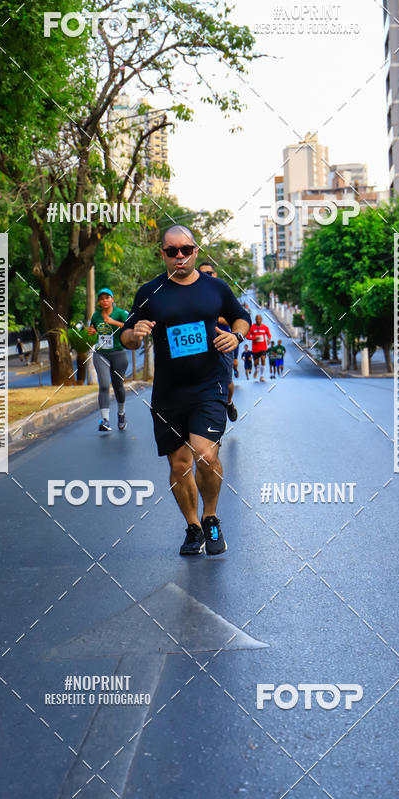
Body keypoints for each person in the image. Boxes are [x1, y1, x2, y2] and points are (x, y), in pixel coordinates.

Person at [121, 226, 250, 556]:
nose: (179, 256)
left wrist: (236, 336)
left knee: (205, 455)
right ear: (162, 254)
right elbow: (127, 337)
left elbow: (241, 318)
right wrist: (135, 334)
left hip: (209, 385)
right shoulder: (149, 292)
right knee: (179, 465)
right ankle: (193, 527)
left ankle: (211, 517)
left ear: (196, 251)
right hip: (169, 391)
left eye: (186, 249)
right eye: (172, 251)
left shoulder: (215, 288)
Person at [198, 262, 238, 422]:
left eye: (209, 273)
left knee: (227, 382)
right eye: (202, 274)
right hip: (201, 344)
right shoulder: (193, 294)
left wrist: (216, 319)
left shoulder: (223, 294)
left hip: (223, 342)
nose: (206, 277)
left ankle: (229, 402)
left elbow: (236, 320)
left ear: (215, 274)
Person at [88, 288, 129, 432]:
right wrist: (92, 331)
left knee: (118, 386)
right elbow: (93, 330)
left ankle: (121, 414)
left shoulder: (120, 313)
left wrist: (113, 322)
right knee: (104, 385)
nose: (104, 301)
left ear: (112, 299)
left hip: (118, 353)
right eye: (102, 298)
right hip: (101, 354)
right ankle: (105, 420)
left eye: (107, 298)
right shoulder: (96, 315)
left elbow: (130, 326)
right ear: (99, 301)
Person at [247, 314, 271, 381]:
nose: (258, 320)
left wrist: (268, 339)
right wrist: (254, 338)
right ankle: (256, 369)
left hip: (263, 347)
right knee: (256, 363)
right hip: (255, 348)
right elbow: (247, 336)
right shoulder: (252, 327)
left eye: (260, 319)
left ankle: (262, 376)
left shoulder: (265, 327)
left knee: (263, 359)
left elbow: (269, 335)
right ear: (255, 320)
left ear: (262, 320)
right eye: (257, 319)